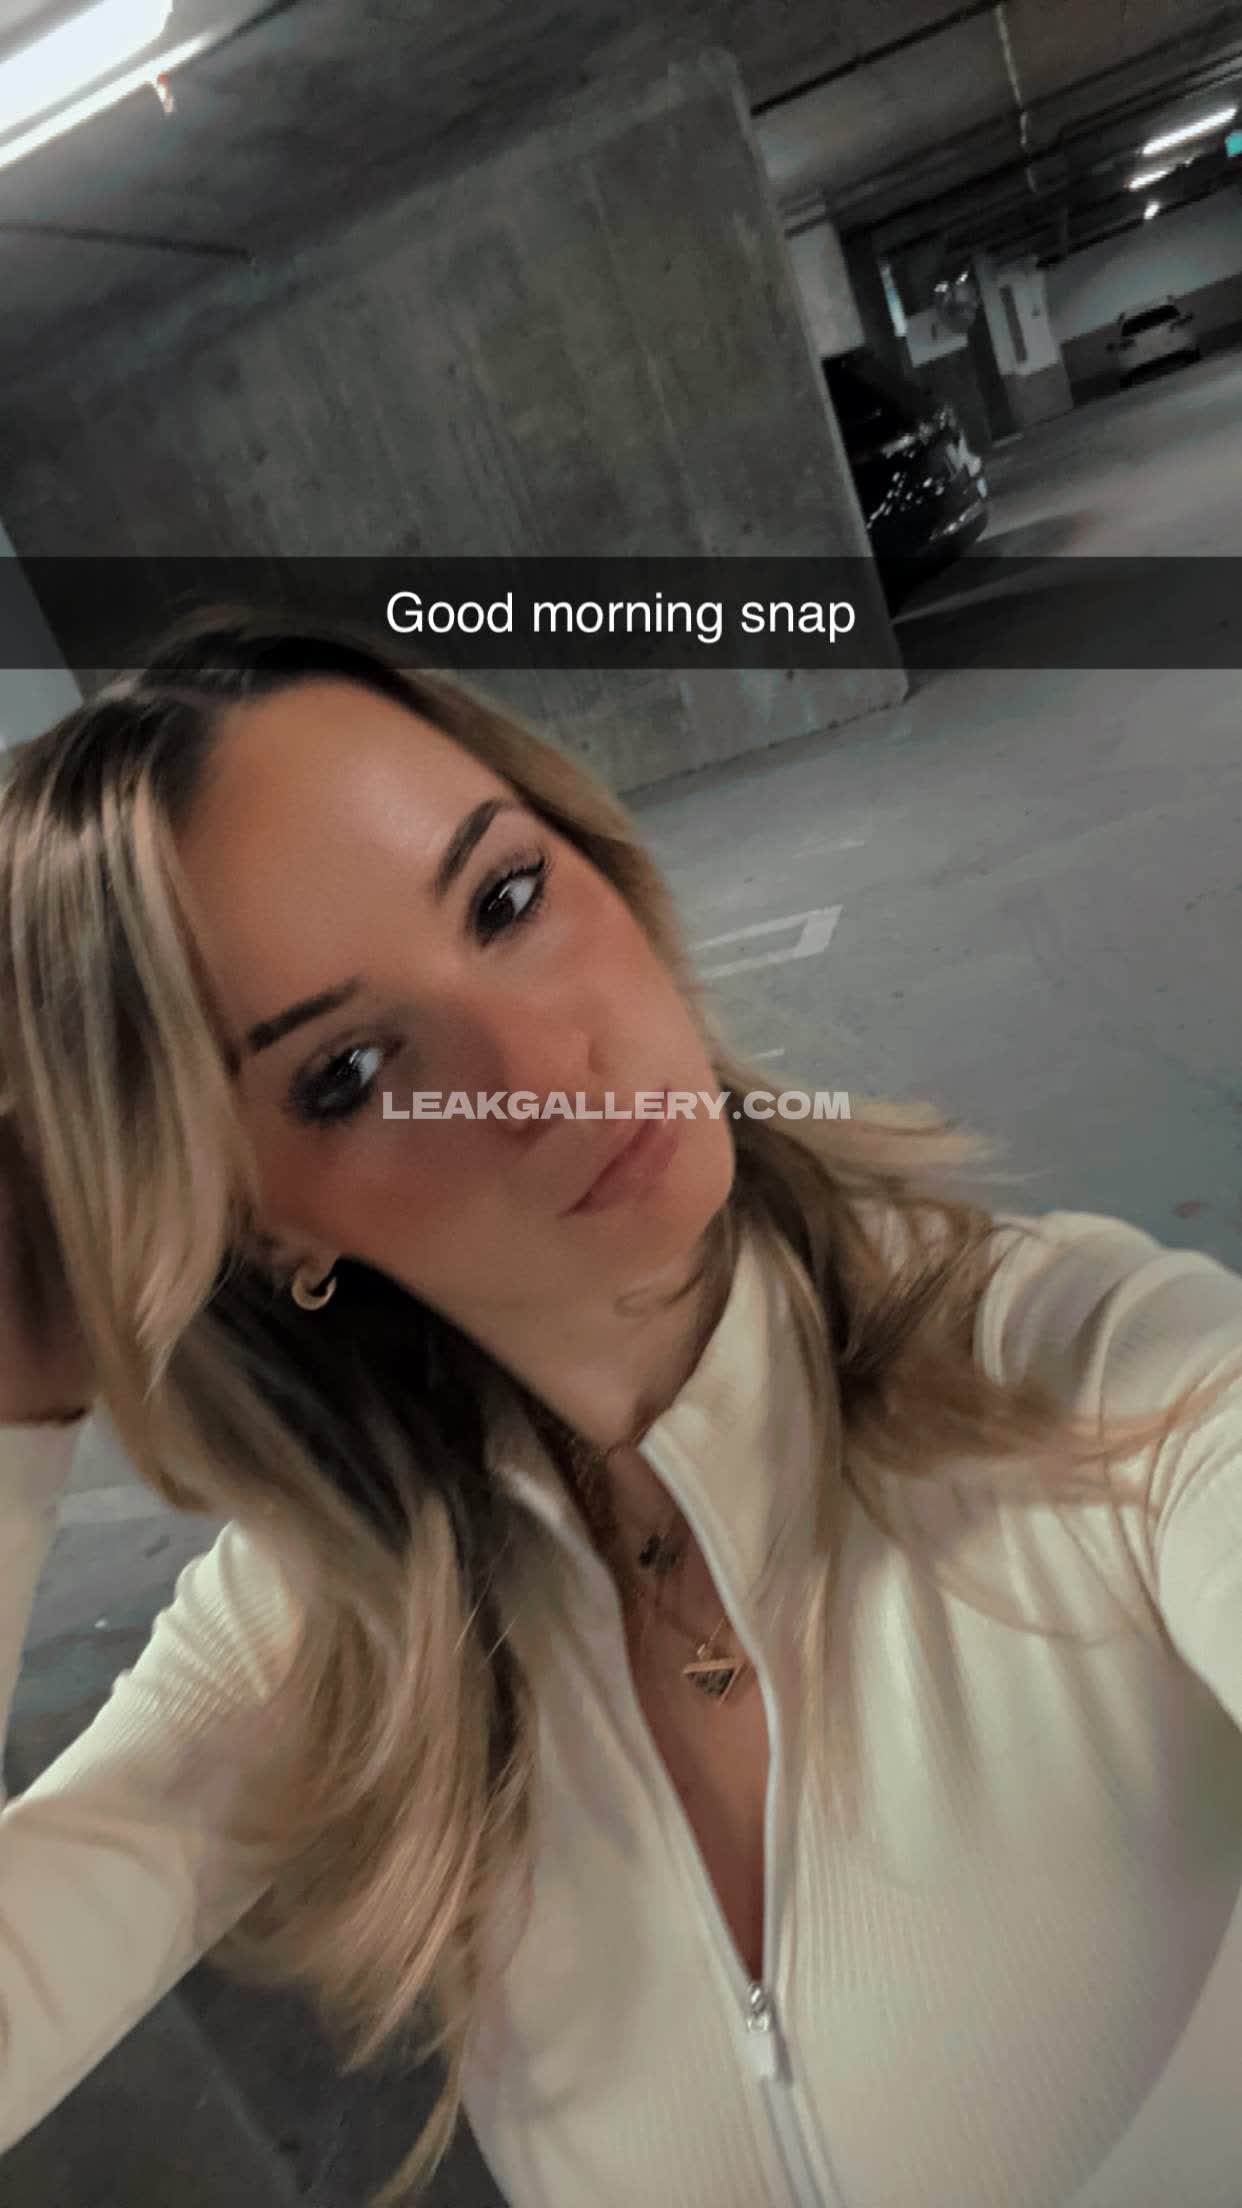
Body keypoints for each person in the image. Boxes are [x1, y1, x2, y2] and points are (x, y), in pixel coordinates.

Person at [1, 610, 1242, 2208]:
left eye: (505, 899)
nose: (543, 1069)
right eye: (351, 1071)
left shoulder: (1102, 1387)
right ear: (254, 1222)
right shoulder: (332, 1629)